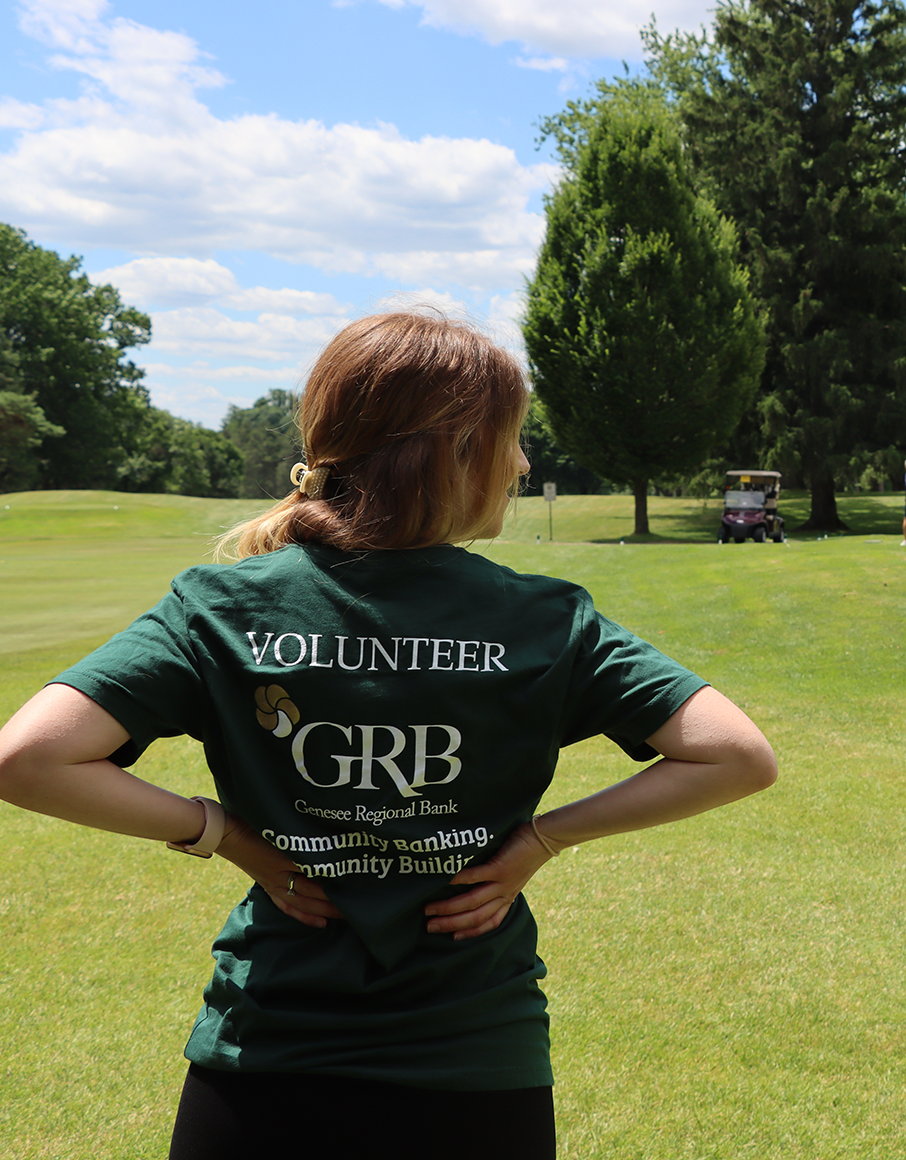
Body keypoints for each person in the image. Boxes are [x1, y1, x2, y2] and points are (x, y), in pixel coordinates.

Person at [0, 312, 777, 1160]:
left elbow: (32, 758)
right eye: (512, 441)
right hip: (474, 1057)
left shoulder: (222, 608)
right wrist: (539, 843)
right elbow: (735, 755)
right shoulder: (544, 619)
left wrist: (223, 836)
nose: (522, 466)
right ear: (455, 452)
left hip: (266, 1051)